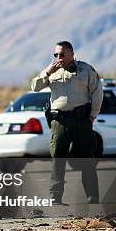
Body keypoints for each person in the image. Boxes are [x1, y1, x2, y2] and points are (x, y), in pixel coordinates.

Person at [31, 41, 103, 204]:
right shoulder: (51, 71)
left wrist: (93, 115)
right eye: (55, 55)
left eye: (62, 54)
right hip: (59, 121)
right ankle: (55, 197)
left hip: (81, 120)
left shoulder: (85, 69)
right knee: (57, 158)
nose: (58, 58)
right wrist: (48, 71)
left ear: (71, 54)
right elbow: (35, 86)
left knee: (86, 157)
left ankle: (92, 196)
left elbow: (97, 92)